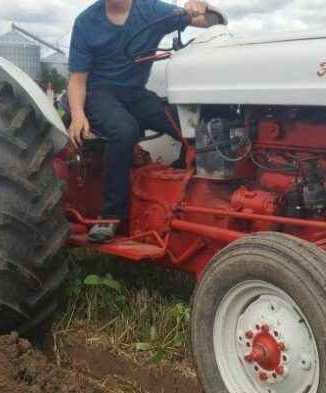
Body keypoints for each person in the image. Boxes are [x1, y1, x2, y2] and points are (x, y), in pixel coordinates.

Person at [67, 0, 221, 243]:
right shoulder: (87, 22)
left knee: (189, 124)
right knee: (125, 130)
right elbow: (77, 79)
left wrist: (203, 7)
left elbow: (212, 22)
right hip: (99, 93)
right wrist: (77, 115)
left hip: (136, 92)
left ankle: (186, 190)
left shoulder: (152, 11)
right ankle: (110, 216)